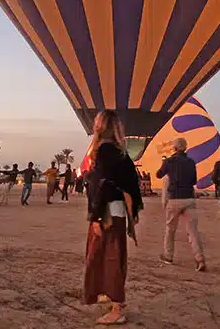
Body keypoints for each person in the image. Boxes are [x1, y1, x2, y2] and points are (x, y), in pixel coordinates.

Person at [83, 110, 143, 326]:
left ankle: (117, 308)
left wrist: (97, 216)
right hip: (117, 212)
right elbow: (133, 186)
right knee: (108, 257)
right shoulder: (121, 153)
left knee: (109, 258)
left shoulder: (104, 151)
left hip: (107, 212)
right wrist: (134, 211)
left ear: (100, 126)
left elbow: (103, 186)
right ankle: (109, 294)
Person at [156, 138, 206, 272]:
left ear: (174, 148)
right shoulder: (191, 162)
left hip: (174, 199)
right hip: (189, 198)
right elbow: (194, 181)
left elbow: (158, 175)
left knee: (170, 230)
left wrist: (164, 165)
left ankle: (168, 256)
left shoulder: (169, 161)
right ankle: (199, 258)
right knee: (192, 231)